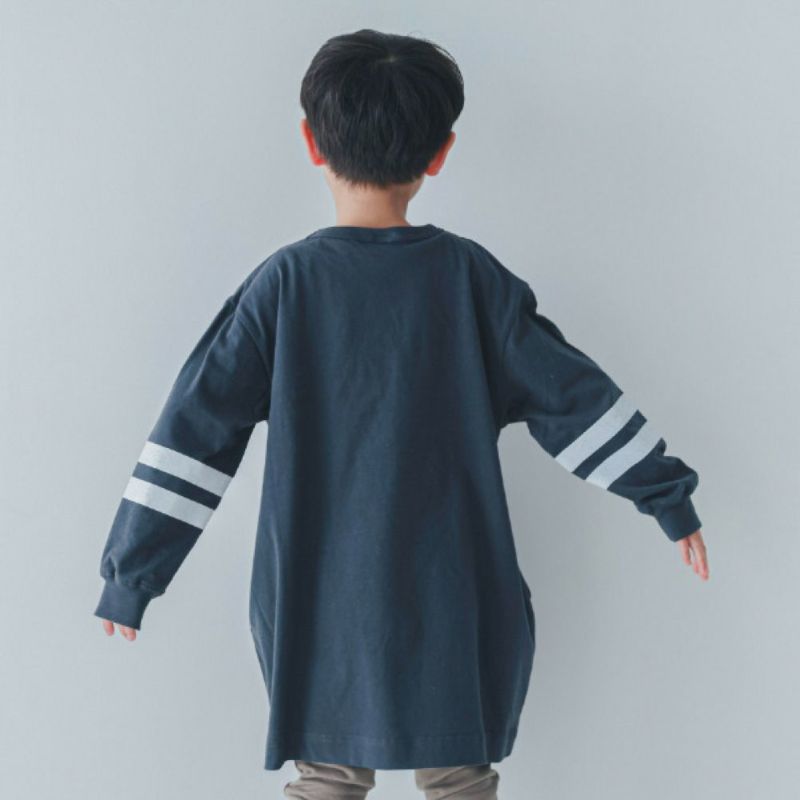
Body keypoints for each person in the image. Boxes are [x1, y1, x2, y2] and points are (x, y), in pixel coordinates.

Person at [93, 28, 709, 800]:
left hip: (315, 597)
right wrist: (665, 493)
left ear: (311, 142)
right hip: (454, 590)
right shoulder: (470, 281)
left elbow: (194, 430)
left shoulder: (284, 287)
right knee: (459, 775)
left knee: (325, 773)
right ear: (441, 152)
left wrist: (133, 573)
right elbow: (573, 396)